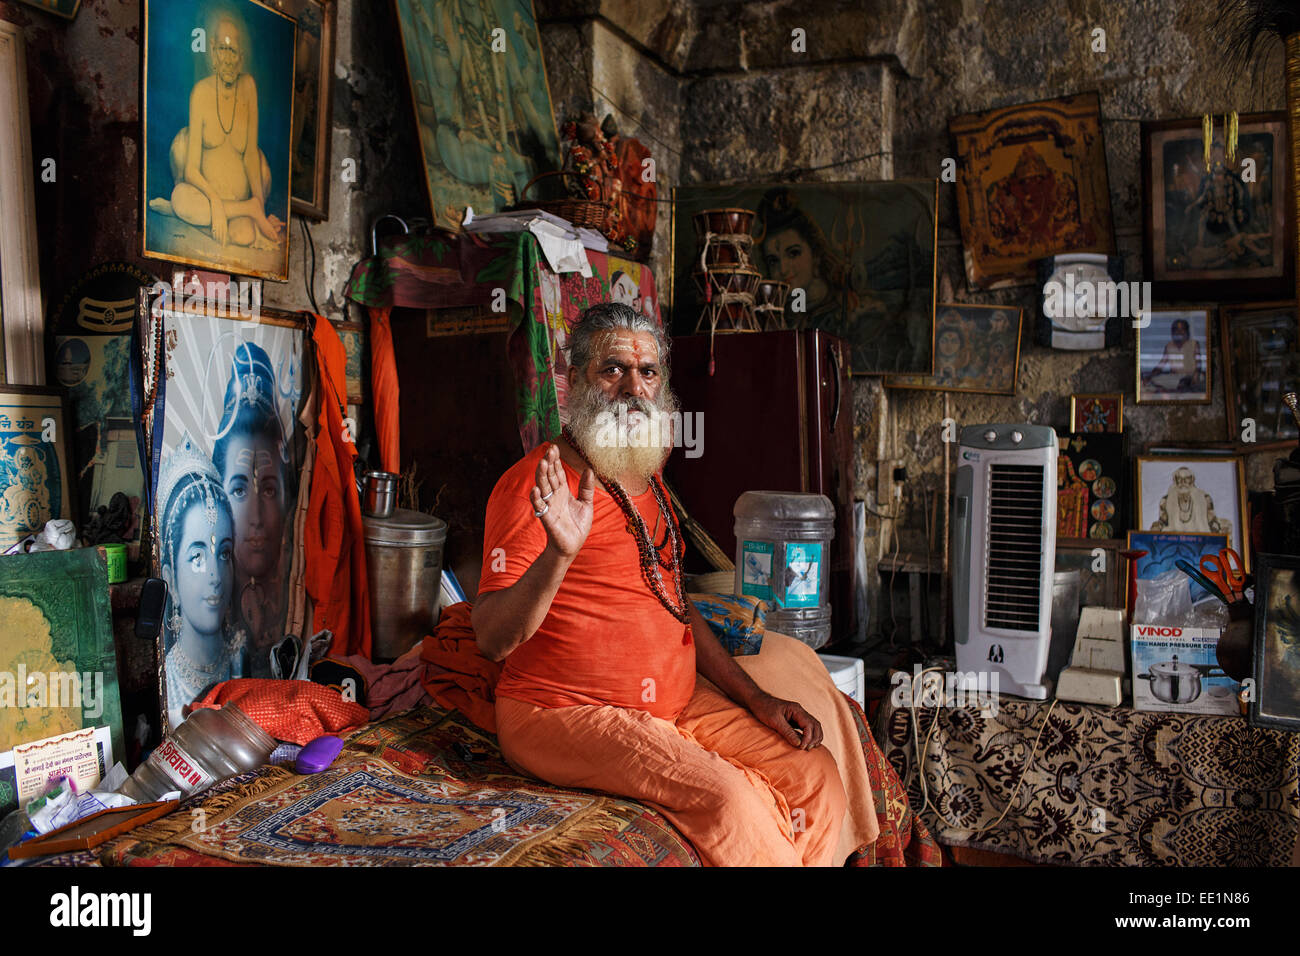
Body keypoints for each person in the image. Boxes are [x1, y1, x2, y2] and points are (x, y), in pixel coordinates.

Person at [474, 302, 878, 866]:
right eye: (613, 369)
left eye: (648, 372)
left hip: (672, 703)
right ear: (572, 383)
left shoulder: (646, 476)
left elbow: (673, 606)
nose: (633, 389)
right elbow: (491, 639)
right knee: (730, 803)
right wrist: (559, 555)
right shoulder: (537, 484)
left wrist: (757, 698)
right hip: (560, 711)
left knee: (815, 774)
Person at [148, 10, 284, 250]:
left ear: (241, 55)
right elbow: (190, 170)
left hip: (237, 196)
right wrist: (215, 203)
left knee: (244, 237)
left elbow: (251, 154)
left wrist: (260, 207)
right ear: (212, 49)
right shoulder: (200, 92)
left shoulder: (249, 86)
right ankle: (190, 211)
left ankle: (204, 215)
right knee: (181, 198)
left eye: (233, 51)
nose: (228, 59)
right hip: (207, 196)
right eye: (223, 49)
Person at [212, 342, 292, 668]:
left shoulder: (297, 605)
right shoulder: (207, 612)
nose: (256, 518)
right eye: (240, 490)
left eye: (270, 490)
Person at [158, 434, 245, 728]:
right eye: (197, 557)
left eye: (223, 554)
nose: (214, 575)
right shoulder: (165, 680)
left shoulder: (242, 661)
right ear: (170, 577)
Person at [1151, 466, 1232, 538]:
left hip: (1199, 538)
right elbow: (1163, 522)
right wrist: (1156, 528)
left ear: (1192, 480)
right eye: (1179, 478)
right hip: (1175, 539)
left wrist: (1217, 531)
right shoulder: (1166, 500)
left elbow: (1212, 521)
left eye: (1186, 478)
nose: (1183, 482)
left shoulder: (1205, 498)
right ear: (1175, 480)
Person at [1143, 318, 1204, 394]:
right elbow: (1160, 366)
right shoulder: (1169, 346)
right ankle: (1177, 388)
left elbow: (1199, 363)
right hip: (1175, 377)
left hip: (1192, 376)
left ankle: (1174, 389)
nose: (1179, 332)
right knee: (1156, 380)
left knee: (1199, 379)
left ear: (1187, 332)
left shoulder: (1194, 344)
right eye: (1176, 330)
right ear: (1172, 332)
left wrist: (1196, 374)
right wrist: (1149, 376)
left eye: (1182, 329)